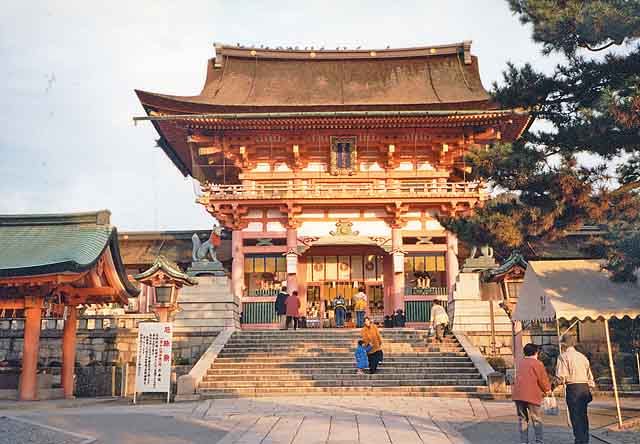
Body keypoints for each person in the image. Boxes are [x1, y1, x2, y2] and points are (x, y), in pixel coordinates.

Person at [556, 334, 595, 444]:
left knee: (575, 415)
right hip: (585, 387)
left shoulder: (563, 356)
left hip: (573, 388)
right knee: (583, 414)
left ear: (564, 344)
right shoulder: (583, 357)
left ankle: (579, 439)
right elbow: (590, 376)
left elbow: (561, 376)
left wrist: (555, 384)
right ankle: (585, 438)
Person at [512, 343, 552, 444]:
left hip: (518, 395)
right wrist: (547, 390)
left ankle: (524, 441)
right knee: (536, 419)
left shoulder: (520, 363)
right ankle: (539, 441)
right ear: (536, 352)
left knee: (523, 419)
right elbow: (542, 380)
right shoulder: (537, 363)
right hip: (532, 395)